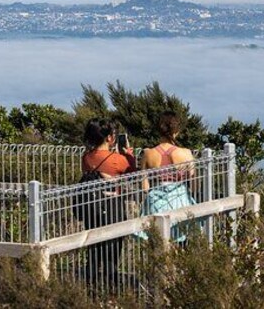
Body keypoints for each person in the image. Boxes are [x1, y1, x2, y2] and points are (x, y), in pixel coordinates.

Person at [79, 118, 136, 287]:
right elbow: (132, 174)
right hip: (113, 207)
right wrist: (129, 156)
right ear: (110, 138)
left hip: (92, 207)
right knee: (112, 250)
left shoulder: (86, 158)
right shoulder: (117, 159)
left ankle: (91, 288)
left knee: (94, 250)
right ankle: (112, 287)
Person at [138, 111, 196, 241]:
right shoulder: (186, 153)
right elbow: (194, 185)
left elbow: (144, 186)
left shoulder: (148, 154)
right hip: (179, 200)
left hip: (156, 202)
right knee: (180, 243)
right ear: (176, 131)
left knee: (158, 244)